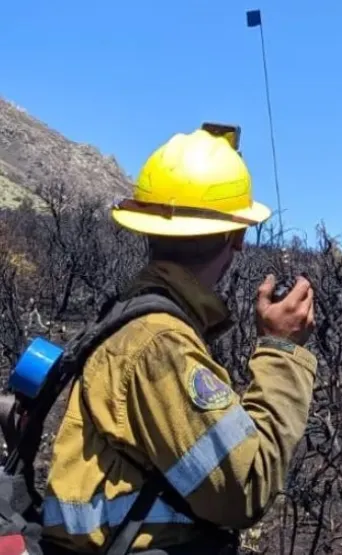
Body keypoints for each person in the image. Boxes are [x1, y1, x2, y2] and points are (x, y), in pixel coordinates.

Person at [37, 127, 317, 554]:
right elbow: (244, 489)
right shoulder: (158, 344)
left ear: (147, 229)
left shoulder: (130, 321)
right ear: (238, 237)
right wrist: (282, 350)